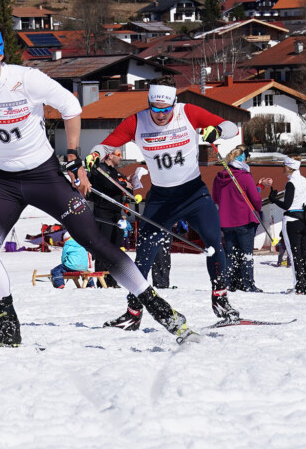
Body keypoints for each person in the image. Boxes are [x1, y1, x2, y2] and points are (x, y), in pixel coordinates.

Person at [0, 19, 192, 346]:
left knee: (95, 241)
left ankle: (160, 308)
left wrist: (74, 155)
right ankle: (8, 327)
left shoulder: (25, 79)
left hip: (43, 176)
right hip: (5, 181)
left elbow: (70, 106)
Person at [86, 74, 241, 328]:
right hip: (161, 199)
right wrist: (94, 154)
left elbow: (232, 127)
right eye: (155, 109)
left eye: (165, 109)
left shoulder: (187, 112)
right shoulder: (138, 121)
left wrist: (217, 130)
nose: (160, 115)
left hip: (193, 194)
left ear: (174, 103)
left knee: (214, 242)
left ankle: (221, 300)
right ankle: (133, 312)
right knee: (144, 255)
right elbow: (107, 145)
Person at [211, 144, 268, 293]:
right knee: (246, 254)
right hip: (244, 220)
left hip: (226, 221)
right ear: (243, 160)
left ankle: (231, 282)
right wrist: (258, 203)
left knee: (231, 254)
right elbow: (255, 199)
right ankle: (247, 283)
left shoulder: (219, 177)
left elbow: (215, 198)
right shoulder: (244, 176)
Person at [87, 148, 136, 288]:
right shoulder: (100, 169)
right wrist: (123, 184)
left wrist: (128, 182)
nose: (121, 157)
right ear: (109, 155)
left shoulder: (116, 172)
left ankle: (113, 280)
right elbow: (109, 184)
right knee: (104, 247)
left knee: (116, 247)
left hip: (116, 213)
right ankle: (102, 281)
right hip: (103, 212)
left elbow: (122, 187)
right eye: (118, 154)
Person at [269, 156, 306, 295]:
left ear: (290, 167)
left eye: (284, 165)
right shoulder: (305, 181)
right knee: (304, 254)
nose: (282, 167)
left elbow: (287, 205)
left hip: (291, 221)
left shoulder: (291, 183)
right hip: (304, 221)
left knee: (295, 254)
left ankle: (298, 286)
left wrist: (273, 200)